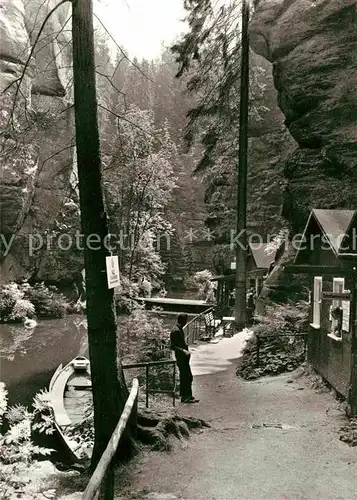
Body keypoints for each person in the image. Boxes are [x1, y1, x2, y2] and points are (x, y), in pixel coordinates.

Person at [170, 313, 199, 404]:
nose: (186, 322)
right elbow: (173, 346)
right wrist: (183, 350)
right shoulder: (176, 331)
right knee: (187, 377)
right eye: (185, 321)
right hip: (181, 357)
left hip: (183, 357)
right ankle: (186, 397)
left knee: (186, 376)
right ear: (182, 321)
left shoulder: (178, 329)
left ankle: (187, 396)